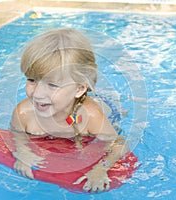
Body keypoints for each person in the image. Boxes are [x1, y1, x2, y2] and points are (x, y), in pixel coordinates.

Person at [9, 28, 129, 192]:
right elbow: (16, 134)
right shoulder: (23, 113)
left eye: (52, 85)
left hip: (95, 110)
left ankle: (116, 103)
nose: (38, 93)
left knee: (111, 111)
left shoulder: (91, 116)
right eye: (32, 80)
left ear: (79, 89)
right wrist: (22, 153)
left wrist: (101, 168)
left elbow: (119, 144)